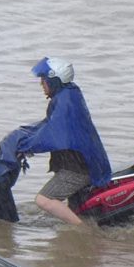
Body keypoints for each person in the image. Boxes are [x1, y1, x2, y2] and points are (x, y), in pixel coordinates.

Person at [25, 57, 112, 225]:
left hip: (78, 168)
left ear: (54, 80)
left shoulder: (65, 103)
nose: (41, 84)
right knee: (69, 206)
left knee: (43, 200)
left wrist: (28, 146)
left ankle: (83, 231)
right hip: (85, 161)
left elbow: (52, 133)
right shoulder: (69, 94)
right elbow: (49, 127)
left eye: (44, 80)